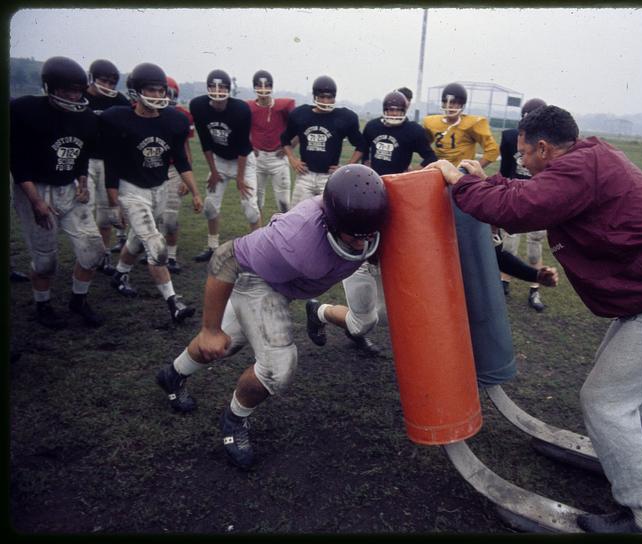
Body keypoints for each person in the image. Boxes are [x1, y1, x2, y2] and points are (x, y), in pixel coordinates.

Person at [427, 105, 642, 534]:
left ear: (544, 148)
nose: (523, 164)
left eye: (526, 155)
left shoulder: (578, 170)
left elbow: (519, 208)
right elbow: (525, 193)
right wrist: (483, 180)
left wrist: (460, 184)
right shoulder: (587, 160)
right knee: (623, 380)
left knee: (605, 401)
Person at [154, 164, 388, 470]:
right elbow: (226, 256)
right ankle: (234, 420)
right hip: (258, 279)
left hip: (288, 284)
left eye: (368, 234)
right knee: (277, 365)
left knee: (228, 343)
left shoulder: (371, 215)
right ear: (331, 221)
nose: (362, 243)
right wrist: (209, 328)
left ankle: (172, 374)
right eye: (354, 236)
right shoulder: (297, 236)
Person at [306, 90, 436, 355]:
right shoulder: (374, 128)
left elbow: (430, 159)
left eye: (398, 110)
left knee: (382, 314)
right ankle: (319, 312)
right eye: (390, 109)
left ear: (405, 109)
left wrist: (412, 177)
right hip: (361, 254)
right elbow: (364, 152)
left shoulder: (412, 131)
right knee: (365, 321)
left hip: (393, 195)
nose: (394, 114)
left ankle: (355, 323)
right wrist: (355, 170)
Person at [100, 62, 203, 323]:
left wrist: (195, 191)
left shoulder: (173, 120)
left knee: (137, 240)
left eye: (161, 90)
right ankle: (174, 302)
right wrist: (114, 204)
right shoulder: (118, 119)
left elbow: (180, 160)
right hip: (131, 189)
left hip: (158, 187)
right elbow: (111, 165)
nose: (158, 95)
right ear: (136, 91)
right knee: (156, 245)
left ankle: (120, 274)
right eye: (151, 90)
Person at [10, 56, 106, 329]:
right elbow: (18, 162)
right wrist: (36, 201)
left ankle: (79, 300)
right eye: (67, 91)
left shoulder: (85, 117)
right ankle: (43, 304)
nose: (74, 96)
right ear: (49, 87)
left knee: (93, 250)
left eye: (77, 90)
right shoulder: (25, 110)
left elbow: (82, 154)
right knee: (45, 261)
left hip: (70, 187)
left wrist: (83, 183)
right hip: (34, 187)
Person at [190, 69, 260, 263]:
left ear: (229, 89)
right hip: (219, 160)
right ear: (207, 88)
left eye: (223, 87)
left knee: (250, 207)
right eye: (213, 86)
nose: (218, 91)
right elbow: (205, 141)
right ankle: (212, 246)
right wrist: (213, 171)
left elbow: (244, 147)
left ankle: (258, 248)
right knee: (210, 206)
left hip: (242, 160)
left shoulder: (240, 110)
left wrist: (239, 178)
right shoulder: (198, 106)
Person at [280, 75, 365, 208]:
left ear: (334, 97)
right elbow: (284, 138)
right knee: (297, 216)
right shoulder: (301, 114)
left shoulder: (344, 117)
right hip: (305, 175)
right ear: (315, 96)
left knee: (329, 217)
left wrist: (347, 167)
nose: (325, 101)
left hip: (329, 177)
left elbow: (361, 144)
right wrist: (292, 158)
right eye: (322, 97)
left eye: (329, 97)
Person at [498, 97, 549, 311]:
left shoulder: (548, 142)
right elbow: (505, 169)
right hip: (515, 195)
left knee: (534, 249)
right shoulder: (510, 137)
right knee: (509, 244)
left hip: (538, 198)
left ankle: (534, 287)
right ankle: (503, 283)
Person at [85, 59, 132, 275]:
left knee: (105, 215)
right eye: (104, 81)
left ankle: (103, 257)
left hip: (108, 161)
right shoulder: (80, 98)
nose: (109, 87)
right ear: (92, 78)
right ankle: (86, 257)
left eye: (113, 83)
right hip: (83, 161)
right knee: (85, 211)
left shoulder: (119, 101)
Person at [157, 76, 194, 274]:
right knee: (152, 217)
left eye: (167, 93)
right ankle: (153, 252)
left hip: (173, 169)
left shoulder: (181, 116)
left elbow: (186, 147)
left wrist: (186, 177)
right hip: (149, 171)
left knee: (170, 218)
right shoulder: (139, 113)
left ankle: (170, 256)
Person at [247, 69, 295, 214]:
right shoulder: (249, 107)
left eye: (266, 85)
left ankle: (284, 234)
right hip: (257, 159)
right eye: (259, 85)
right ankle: (258, 234)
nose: (263, 89)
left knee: (284, 203)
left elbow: (297, 127)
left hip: (278, 158)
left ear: (271, 86)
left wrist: (290, 146)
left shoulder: (282, 106)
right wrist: (249, 145)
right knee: (256, 201)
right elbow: (241, 128)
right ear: (254, 87)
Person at [422, 82, 499, 168]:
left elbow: (493, 150)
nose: (450, 105)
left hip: (460, 174)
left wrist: (473, 169)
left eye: (454, 102)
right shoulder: (431, 122)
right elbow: (423, 146)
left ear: (462, 105)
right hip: (437, 171)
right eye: (446, 102)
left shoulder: (473, 123)